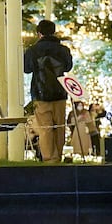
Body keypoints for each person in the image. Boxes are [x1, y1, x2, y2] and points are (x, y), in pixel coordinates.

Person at [23, 19, 74, 163]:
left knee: (45, 127)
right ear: (53, 31)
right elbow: (68, 67)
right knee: (59, 126)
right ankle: (58, 156)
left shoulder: (33, 50)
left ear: (39, 33)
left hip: (40, 93)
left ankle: (49, 158)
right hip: (60, 92)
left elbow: (26, 69)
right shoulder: (63, 50)